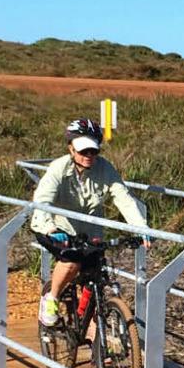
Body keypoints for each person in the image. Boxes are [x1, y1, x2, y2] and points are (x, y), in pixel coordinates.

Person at [31, 118, 149, 328]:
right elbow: (42, 200)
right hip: (56, 227)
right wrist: (50, 228)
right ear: (71, 149)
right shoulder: (59, 168)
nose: (89, 156)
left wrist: (140, 228)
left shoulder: (104, 168)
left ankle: (99, 350)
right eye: (83, 151)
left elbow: (123, 198)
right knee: (71, 262)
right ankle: (52, 298)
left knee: (95, 281)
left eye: (93, 151)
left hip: (89, 232)